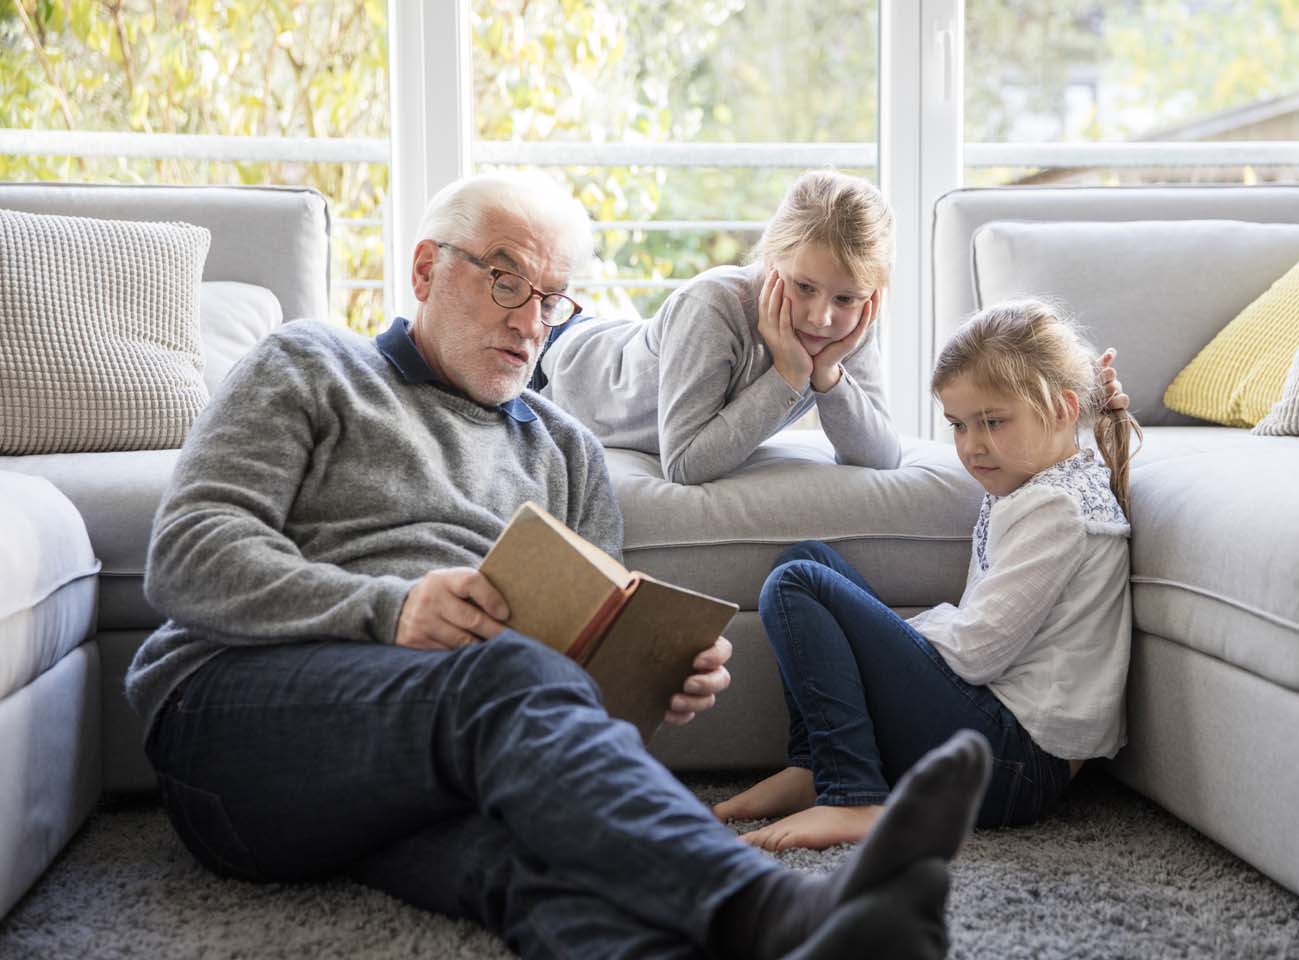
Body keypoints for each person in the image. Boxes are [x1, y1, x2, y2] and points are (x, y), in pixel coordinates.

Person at [126, 170, 999, 960]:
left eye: (551, 298)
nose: (529, 320)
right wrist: (388, 610)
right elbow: (188, 555)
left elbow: (575, 704)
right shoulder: (313, 364)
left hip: (428, 771)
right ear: (427, 270)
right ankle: (784, 911)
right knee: (499, 675)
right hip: (238, 728)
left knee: (543, 867)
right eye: (506, 279)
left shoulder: (569, 454)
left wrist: (654, 679)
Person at [715, 298, 1141, 852]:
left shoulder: (1058, 509)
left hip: (1013, 767)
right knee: (807, 558)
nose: (972, 446)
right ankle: (815, 766)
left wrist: (884, 638)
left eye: (993, 422)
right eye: (959, 426)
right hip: (996, 745)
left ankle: (852, 795)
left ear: (1062, 410)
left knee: (800, 584)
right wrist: (876, 637)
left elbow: (979, 650)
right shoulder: (1032, 485)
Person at [536, 169, 901, 485]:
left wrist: (828, 376)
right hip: (550, 359)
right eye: (804, 287)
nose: (821, 317)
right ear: (770, 259)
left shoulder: (847, 327)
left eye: (845, 299)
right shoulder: (711, 306)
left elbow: (881, 457)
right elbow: (683, 465)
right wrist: (788, 375)